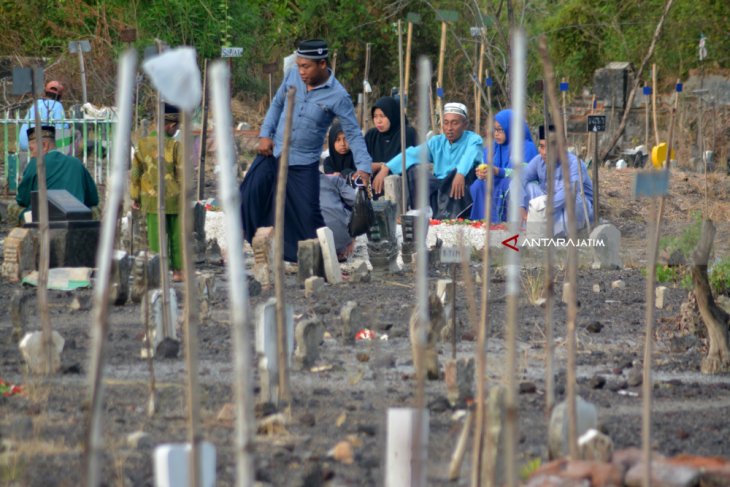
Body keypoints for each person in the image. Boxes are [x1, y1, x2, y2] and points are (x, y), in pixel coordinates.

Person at [241, 39, 372, 262]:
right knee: (249, 195)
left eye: (306, 66)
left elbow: (353, 133)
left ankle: (319, 257)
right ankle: (260, 243)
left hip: (303, 163)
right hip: (274, 152)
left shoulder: (338, 96)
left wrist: (364, 168)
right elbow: (276, 104)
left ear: (322, 64)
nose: (301, 71)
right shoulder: (293, 76)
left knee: (308, 217)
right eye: (299, 65)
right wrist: (265, 134)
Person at [372, 102, 482, 219]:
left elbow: (469, 156)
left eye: (455, 123)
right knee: (413, 170)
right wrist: (386, 167)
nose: (449, 128)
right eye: (446, 123)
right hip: (440, 186)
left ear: (465, 124)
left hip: (459, 187)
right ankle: (423, 210)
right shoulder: (437, 142)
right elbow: (412, 154)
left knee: (457, 174)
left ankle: (450, 215)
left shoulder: (474, 139)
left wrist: (460, 173)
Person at [130, 103, 185, 282]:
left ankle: (159, 271)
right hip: (175, 200)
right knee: (177, 236)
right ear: (170, 125)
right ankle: (178, 272)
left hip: (151, 199)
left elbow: (135, 173)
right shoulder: (175, 146)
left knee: (155, 236)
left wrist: (135, 196)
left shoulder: (142, 144)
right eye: (176, 126)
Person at [520, 125, 593, 237]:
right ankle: (540, 229)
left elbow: (569, 192)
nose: (544, 152)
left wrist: (543, 209)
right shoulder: (539, 161)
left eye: (550, 146)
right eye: (542, 146)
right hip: (550, 208)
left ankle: (562, 233)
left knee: (574, 196)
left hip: (575, 210)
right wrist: (521, 206)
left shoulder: (575, 164)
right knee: (529, 187)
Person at [16, 125, 98, 222]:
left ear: (44, 145)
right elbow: (93, 199)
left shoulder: (36, 163)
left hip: (43, 221)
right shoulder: (76, 163)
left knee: (15, 209)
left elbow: (22, 199)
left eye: (32, 149)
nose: (32, 154)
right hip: (76, 220)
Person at [469, 109, 538, 223]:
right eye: (494, 130)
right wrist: (482, 173)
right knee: (478, 184)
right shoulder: (493, 147)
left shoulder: (527, 147)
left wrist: (498, 171)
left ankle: (506, 222)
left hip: (518, 184)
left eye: (500, 130)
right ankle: (483, 221)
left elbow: (525, 174)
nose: (496, 134)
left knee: (509, 185)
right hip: (497, 181)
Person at [365, 96, 418, 184]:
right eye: (375, 116)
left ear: (392, 115)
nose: (378, 121)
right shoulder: (371, 135)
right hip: (372, 186)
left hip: (402, 187)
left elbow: (410, 162)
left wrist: (385, 167)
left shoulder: (406, 134)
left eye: (382, 116)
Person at [18, 81, 67, 153]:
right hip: (39, 147)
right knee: (75, 133)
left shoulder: (36, 103)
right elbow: (62, 129)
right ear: (60, 96)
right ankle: (64, 158)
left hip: (24, 145)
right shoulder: (57, 105)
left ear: (45, 92)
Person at [319, 173, 357, 261]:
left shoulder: (292, 185)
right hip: (340, 242)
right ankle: (345, 246)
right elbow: (355, 200)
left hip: (307, 244)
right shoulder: (333, 180)